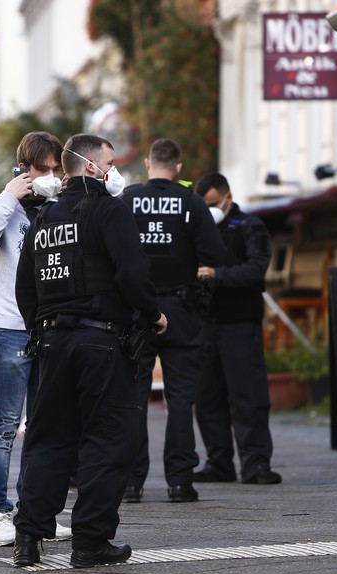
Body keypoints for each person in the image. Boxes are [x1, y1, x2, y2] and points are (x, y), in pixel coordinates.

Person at [11, 133, 167, 568]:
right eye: (111, 163)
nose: (114, 171)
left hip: (52, 343)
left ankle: (28, 538)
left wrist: (40, 330)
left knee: (48, 441)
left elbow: (25, 288)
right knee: (109, 439)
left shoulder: (42, 220)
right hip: (101, 342)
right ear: (94, 167)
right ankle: (91, 542)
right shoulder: (109, 210)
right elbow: (133, 272)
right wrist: (152, 314)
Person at [0, 130, 71, 546]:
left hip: (51, 328)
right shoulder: (0, 206)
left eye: (54, 170)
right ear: (24, 168)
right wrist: (9, 199)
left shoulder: (60, 208)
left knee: (43, 425)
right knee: (4, 425)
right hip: (11, 328)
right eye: (42, 169)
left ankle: (34, 512)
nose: (49, 176)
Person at [119, 138, 226, 503]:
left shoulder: (129, 200)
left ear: (148, 164)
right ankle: (180, 482)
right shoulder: (191, 202)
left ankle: (131, 482)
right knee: (181, 399)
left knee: (134, 396)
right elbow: (215, 255)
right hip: (181, 309)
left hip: (136, 311)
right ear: (178, 168)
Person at [192, 172, 281, 485]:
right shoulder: (198, 229)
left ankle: (256, 464)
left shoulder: (249, 226)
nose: (210, 210)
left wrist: (217, 274)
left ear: (228, 197)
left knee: (248, 397)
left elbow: (256, 271)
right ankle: (219, 462)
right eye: (205, 206)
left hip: (240, 323)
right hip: (206, 323)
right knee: (207, 397)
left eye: (214, 204)